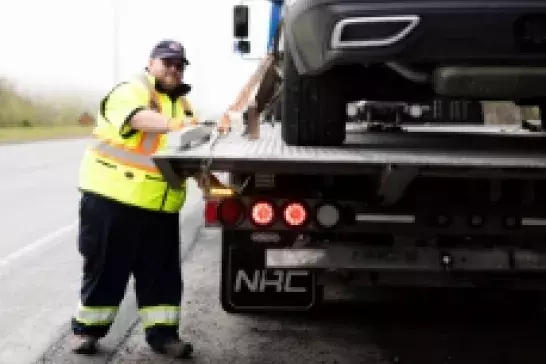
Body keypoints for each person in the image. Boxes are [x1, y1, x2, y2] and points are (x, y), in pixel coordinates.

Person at [69, 39, 198, 359]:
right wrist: (178, 126)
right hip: (113, 200)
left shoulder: (184, 105)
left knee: (162, 277)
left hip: (159, 206)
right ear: (151, 63)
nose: (173, 68)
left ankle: (164, 336)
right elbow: (137, 118)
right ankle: (86, 332)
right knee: (106, 270)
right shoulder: (132, 89)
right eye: (167, 62)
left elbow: (191, 153)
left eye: (179, 64)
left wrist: (213, 184)